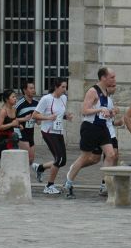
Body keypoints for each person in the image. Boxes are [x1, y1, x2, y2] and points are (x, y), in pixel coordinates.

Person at [64, 67, 118, 199]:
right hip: (90, 127)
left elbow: (102, 111)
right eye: (111, 77)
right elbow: (84, 110)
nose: (114, 80)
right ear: (103, 78)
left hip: (102, 127)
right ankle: (68, 182)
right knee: (85, 157)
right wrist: (100, 109)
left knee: (111, 154)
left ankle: (106, 184)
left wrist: (110, 113)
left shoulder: (106, 91)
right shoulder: (93, 91)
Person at [33, 77, 71, 194]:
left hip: (58, 131)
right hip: (48, 132)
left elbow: (59, 114)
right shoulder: (46, 99)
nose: (64, 90)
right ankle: (49, 186)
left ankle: (40, 167)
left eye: (66, 87)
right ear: (56, 87)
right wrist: (48, 117)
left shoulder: (64, 98)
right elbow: (35, 115)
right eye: (62, 87)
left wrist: (66, 116)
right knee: (59, 159)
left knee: (62, 161)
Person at [14, 81, 40, 175]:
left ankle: (1, 168)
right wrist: (23, 120)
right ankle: (21, 178)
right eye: (31, 88)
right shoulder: (19, 103)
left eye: (34, 88)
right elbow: (11, 118)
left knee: (31, 159)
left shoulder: (37, 103)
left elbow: (39, 120)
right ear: (25, 90)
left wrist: (38, 120)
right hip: (21, 133)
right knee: (25, 158)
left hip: (30, 133)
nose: (33, 90)